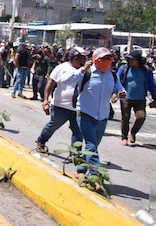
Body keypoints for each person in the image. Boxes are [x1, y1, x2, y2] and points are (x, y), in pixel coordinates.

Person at [74, 48, 126, 176]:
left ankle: (81, 167)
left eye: (109, 58)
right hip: (85, 113)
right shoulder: (87, 73)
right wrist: (83, 69)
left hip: (102, 116)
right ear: (95, 60)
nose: (107, 61)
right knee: (91, 145)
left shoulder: (113, 75)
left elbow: (119, 89)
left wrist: (119, 94)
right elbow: (72, 79)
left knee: (93, 145)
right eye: (104, 59)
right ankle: (94, 174)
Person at [34, 47, 87, 153]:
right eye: (83, 56)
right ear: (76, 57)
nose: (85, 59)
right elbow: (50, 83)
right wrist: (46, 100)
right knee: (53, 126)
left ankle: (75, 154)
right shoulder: (61, 68)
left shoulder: (84, 70)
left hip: (77, 107)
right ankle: (41, 142)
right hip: (60, 106)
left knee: (78, 131)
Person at [116, 50, 156, 146]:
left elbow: (151, 85)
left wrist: (155, 98)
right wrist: (117, 92)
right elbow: (116, 80)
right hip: (126, 98)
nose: (129, 61)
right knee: (125, 117)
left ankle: (133, 133)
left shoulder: (146, 70)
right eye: (128, 59)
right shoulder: (124, 68)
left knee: (141, 117)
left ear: (138, 60)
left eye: (132, 59)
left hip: (140, 99)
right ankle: (124, 137)